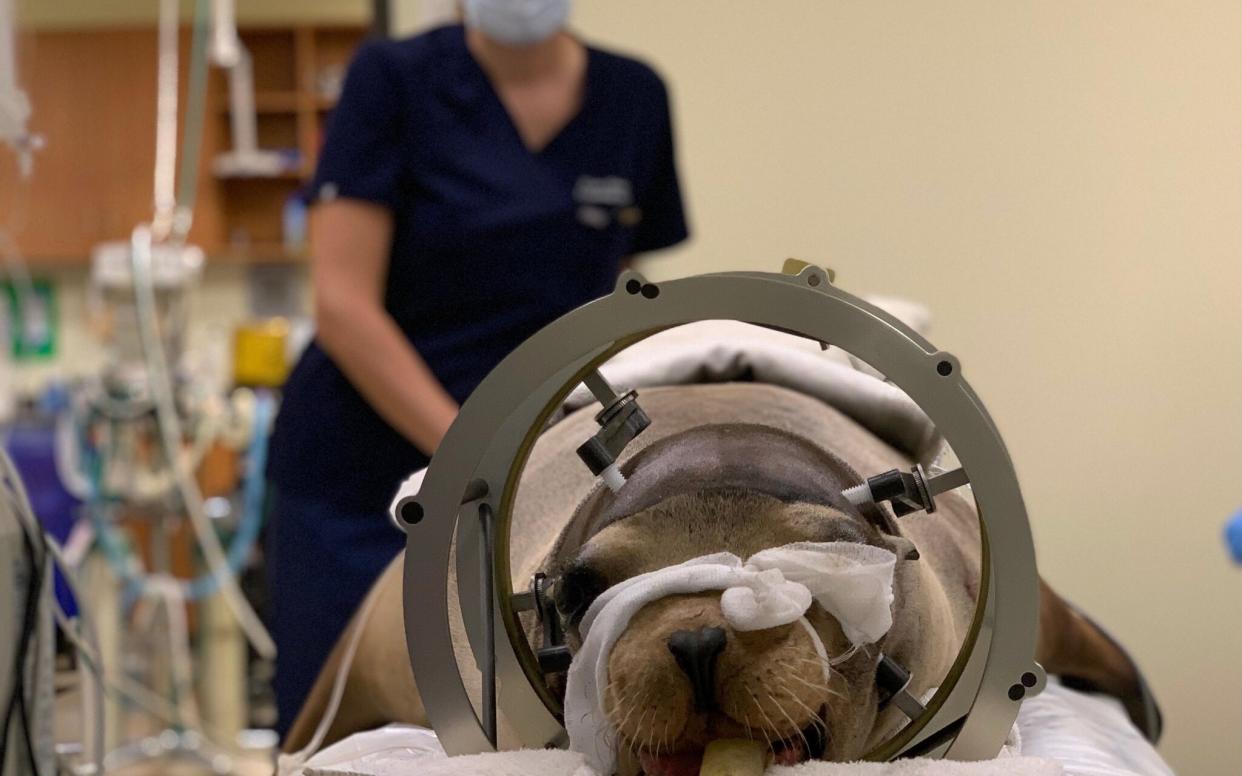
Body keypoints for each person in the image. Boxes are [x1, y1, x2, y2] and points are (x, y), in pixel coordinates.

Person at [263, 0, 689, 737]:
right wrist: (479, 456)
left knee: (518, 726)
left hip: (521, 481)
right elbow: (342, 306)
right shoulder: (392, 79)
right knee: (344, 732)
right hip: (361, 482)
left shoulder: (633, 96)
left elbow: (621, 296)